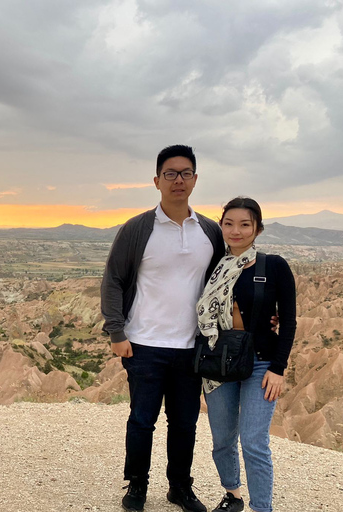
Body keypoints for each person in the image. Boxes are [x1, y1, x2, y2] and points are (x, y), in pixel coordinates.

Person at [101, 144, 225, 512]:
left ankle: (179, 489)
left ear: (196, 180)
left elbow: (225, 282)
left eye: (186, 173)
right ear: (157, 181)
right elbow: (113, 280)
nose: (178, 180)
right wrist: (116, 333)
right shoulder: (138, 228)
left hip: (191, 347)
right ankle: (136, 487)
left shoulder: (209, 231)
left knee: (185, 424)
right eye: (170, 173)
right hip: (144, 345)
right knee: (142, 421)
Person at [197, 197, 296, 512]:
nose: (235, 231)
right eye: (228, 223)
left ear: (258, 228)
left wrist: (278, 369)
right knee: (223, 441)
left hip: (260, 363)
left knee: (254, 443)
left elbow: (289, 320)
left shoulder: (274, 266)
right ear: (221, 226)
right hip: (219, 363)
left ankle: (261, 508)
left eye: (244, 224)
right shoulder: (213, 266)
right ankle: (233, 496)